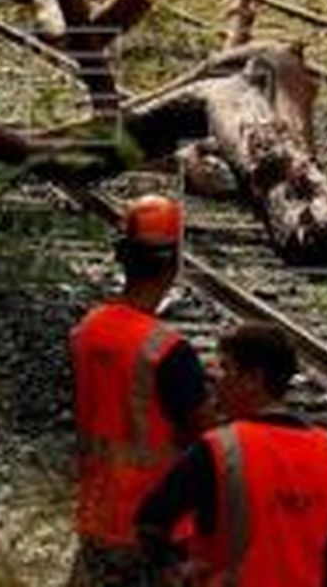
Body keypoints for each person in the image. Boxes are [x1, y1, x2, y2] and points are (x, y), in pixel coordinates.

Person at [137, 322, 327, 586]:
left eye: (226, 369)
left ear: (254, 379)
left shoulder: (220, 448)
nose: (217, 381)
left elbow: (150, 522)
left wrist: (175, 569)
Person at [68, 194, 214, 586]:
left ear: (123, 256)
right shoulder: (168, 351)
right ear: (175, 264)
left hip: (96, 516)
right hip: (153, 529)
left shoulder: (88, 330)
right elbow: (207, 441)